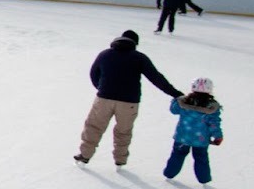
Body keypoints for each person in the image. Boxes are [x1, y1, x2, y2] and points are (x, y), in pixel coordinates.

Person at [75, 30, 181, 167]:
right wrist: (176, 94)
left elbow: (93, 73)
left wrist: (101, 88)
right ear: (135, 44)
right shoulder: (139, 58)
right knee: (123, 131)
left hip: (104, 99)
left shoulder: (105, 54)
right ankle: (120, 160)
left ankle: (84, 155)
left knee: (94, 127)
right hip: (129, 102)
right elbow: (156, 78)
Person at [165, 77, 223, 184]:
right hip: (201, 140)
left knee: (177, 155)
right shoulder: (211, 107)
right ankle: (204, 179)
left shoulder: (184, 101)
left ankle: (169, 174)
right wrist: (218, 136)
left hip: (182, 136)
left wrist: (175, 100)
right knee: (201, 159)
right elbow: (214, 123)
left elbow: (174, 110)